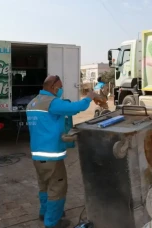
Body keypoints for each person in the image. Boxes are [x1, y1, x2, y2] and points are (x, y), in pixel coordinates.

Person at [26, 75, 98, 228]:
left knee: (44, 185)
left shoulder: (33, 103)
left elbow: (45, 125)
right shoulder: (51, 103)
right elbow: (75, 108)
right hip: (51, 156)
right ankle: (52, 222)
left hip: (37, 155)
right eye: (60, 87)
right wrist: (90, 97)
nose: (61, 90)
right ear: (53, 88)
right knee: (57, 188)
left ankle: (45, 212)